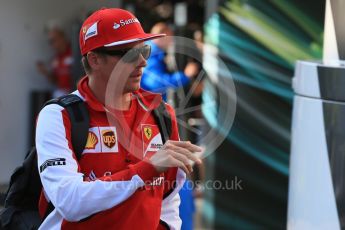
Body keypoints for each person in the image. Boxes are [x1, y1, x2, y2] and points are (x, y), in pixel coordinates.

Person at [36, 8, 202, 230]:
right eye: (129, 53)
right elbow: (69, 201)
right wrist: (148, 168)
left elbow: (168, 197)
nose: (142, 61)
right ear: (95, 59)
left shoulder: (160, 113)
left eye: (144, 49)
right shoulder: (59, 115)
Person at [141, 22, 199, 100]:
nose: (171, 42)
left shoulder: (150, 50)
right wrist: (185, 75)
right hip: (150, 103)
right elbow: (157, 83)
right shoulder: (151, 54)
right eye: (170, 38)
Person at [37, 26, 74, 98]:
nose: (52, 44)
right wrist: (45, 72)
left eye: (54, 40)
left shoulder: (74, 53)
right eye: (50, 42)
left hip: (75, 94)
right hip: (61, 96)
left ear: (62, 38)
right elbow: (55, 81)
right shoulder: (55, 59)